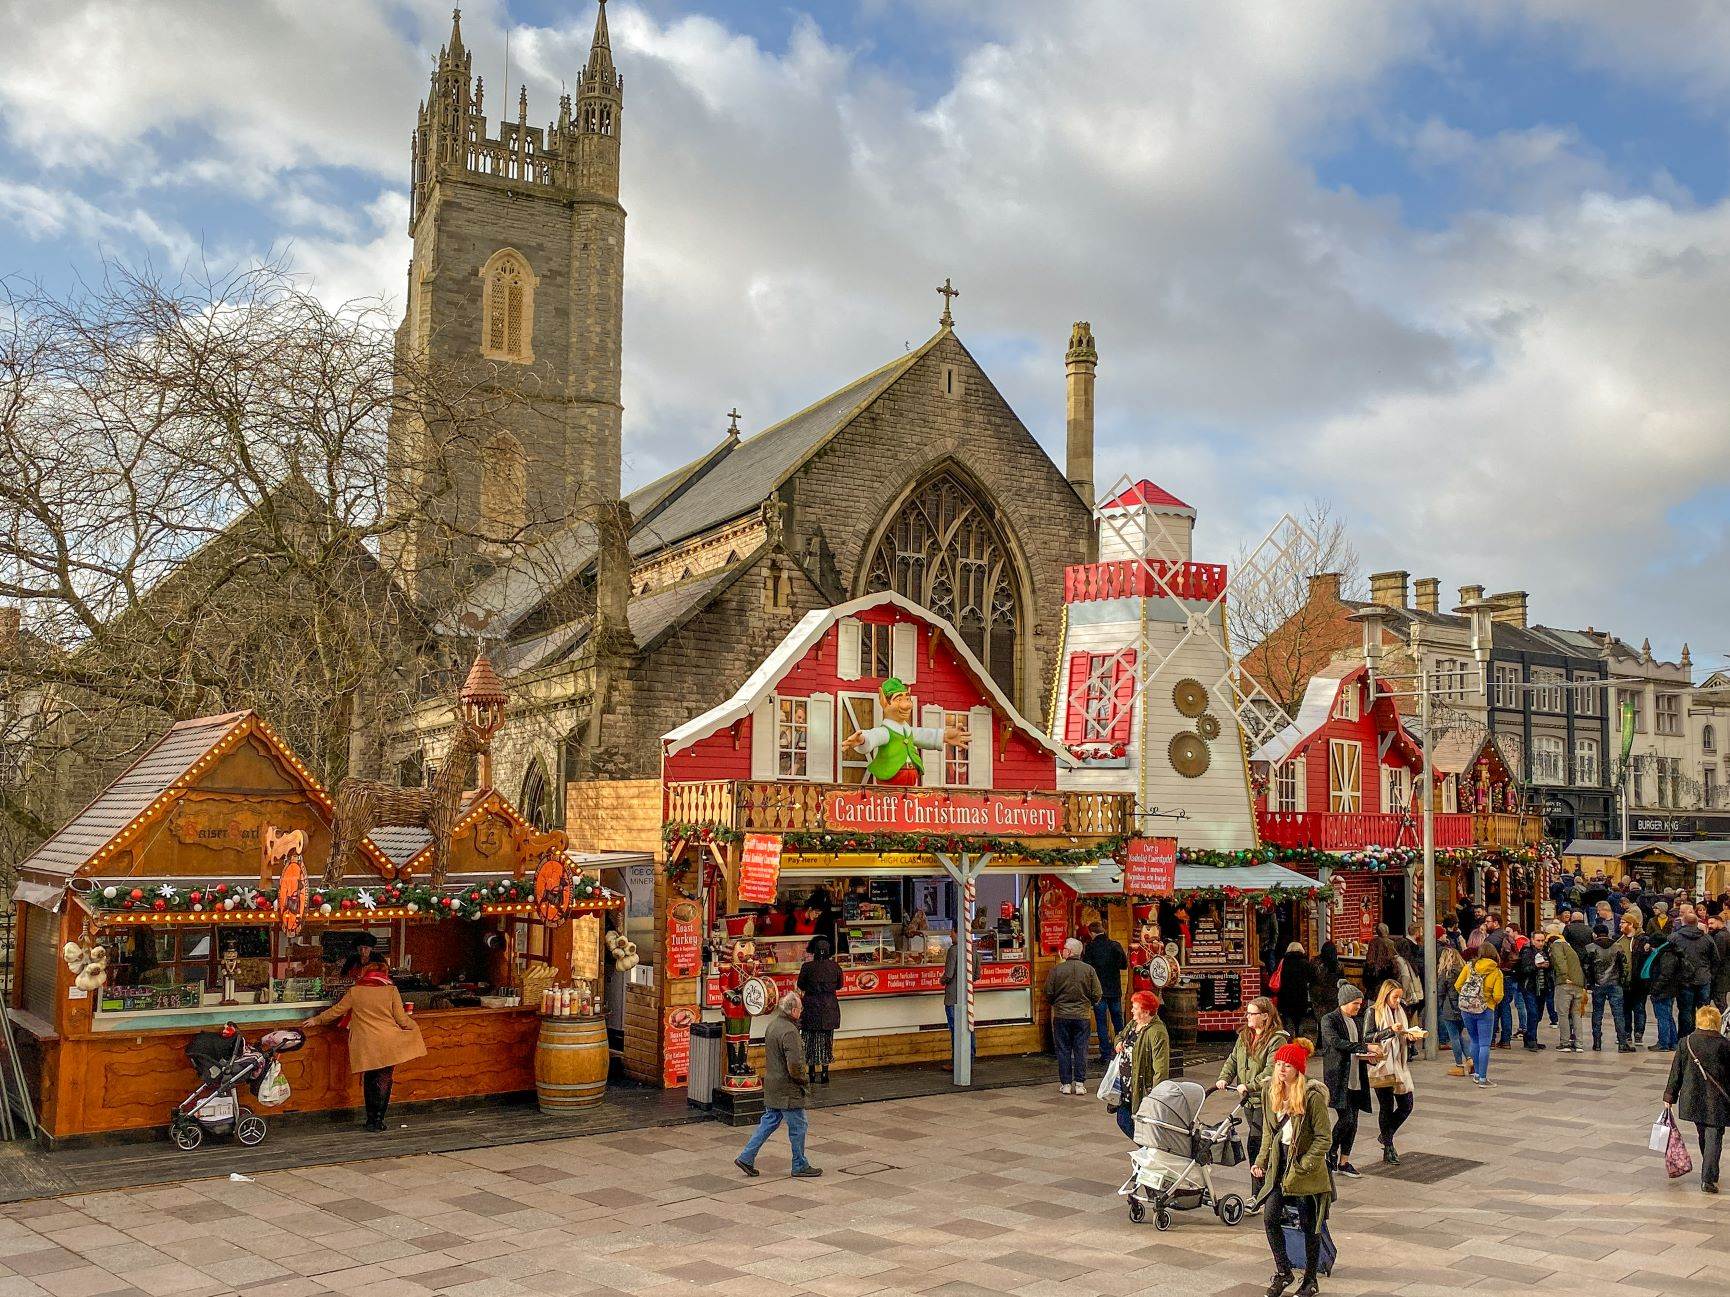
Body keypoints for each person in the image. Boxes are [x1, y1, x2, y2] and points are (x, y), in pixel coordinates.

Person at [302, 954, 425, 1132]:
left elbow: (337, 1011)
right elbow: (402, 1020)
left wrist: (317, 1020)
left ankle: (369, 1119)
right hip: (387, 1042)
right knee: (384, 1079)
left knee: (369, 1079)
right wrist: (415, 1027)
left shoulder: (356, 991)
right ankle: (379, 1120)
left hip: (366, 1043)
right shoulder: (391, 991)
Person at [1251, 1040, 1334, 1297]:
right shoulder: (1270, 1092)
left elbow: (1324, 1137)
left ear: (1298, 1069)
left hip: (1304, 1167)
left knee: (1310, 1224)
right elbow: (1268, 1131)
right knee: (1270, 1217)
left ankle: (1310, 1279)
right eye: (1278, 1065)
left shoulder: (1312, 1097)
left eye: (1287, 1065)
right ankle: (1284, 1271)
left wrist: (1306, 1164)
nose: (1281, 1070)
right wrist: (1261, 1161)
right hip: (1280, 1162)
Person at [734, 991, 821, 1179]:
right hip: (787, 1089)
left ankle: (746, 1157)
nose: (802, 1011)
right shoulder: (790, 1031)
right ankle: (799, 1164)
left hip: (773, 1084)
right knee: (799, 1125)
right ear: (794, 1010)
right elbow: (795, 1065)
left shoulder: (773, 1025)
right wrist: (804, 1080)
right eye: (801, 1008)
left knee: (768, 1122)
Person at [1663, 1004, 1730, 1194]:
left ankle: (1709, 1170)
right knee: (1714, 1136)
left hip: (1693, 1099)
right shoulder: (1725, 1045)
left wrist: (1669, 1096)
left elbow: (1676, 1071)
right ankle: (1708, 1178)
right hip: (1718, 1101)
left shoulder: (1687, 1042)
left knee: (1705, 1134)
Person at [1216, 996, 1290, 1166]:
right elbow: (1233, 1060)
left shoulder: (1277, 1039)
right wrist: (1224, 1078)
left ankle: (1263, 1177)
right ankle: (1258, 1181)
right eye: (1247, 1013)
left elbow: (1271, 1070)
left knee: (1258, 1140)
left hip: (1265, 1098)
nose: (1247, 1017)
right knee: (1255, 1138)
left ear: (1265, 1015)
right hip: (1248, 1100)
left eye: (1252, 1013)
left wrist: (1250, 1086)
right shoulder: (1244, 1036)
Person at [1320, 981, 1376, 1179]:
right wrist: (1364, 1048)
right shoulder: (1329, 1020)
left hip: (1356, 1077)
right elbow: (1336, 1043)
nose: (1358, 1008)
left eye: (1360, 1004)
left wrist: (1368, 1056)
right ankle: (1330, 1151)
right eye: (1356, 1004)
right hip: (1339, 1077)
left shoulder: (1356, 1021)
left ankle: (1344, 1161)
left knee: (1354, 1121)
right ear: (1345, 1002)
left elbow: (1356, 1045)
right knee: (1347, 1118)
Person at [1367, 982, 1423, 1164]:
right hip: (1382, 1064)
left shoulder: (1400, 1011)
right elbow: (1367, 1037)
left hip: (1400, 1063)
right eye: (1395, 997)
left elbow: (1403, 1036)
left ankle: (1386, 1135)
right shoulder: (1373, 1012)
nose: (1398, 1001)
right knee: (1386, 1106)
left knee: (1407, 1104)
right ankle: (1389, 1148)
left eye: (1400, 997)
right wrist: (1389, 1031)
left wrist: (1410, 1038)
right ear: (1385, 996)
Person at [1044, 937, 1102, 1094]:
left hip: (1061, 1015)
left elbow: (1048, 993)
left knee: (1063, 1050)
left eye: (1064, 948)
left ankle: (1066, 1084)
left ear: (1069, 952)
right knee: (1081, 1049)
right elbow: (1097, 993)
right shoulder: (1089, 970)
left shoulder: (1056, 970)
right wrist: (1090, 1003)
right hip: (1082, 1016)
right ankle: (1080, 1084)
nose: (1061, 951)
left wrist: (1055, 1003)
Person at [1113, 989, 1170, 1140]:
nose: (1131, 1010)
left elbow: (1161, 1067)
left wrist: (1157, 1095)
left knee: (1129, 1121)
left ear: (1145, 1012)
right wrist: (1118, 1042)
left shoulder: (1157, 1032)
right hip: (1126, 1085)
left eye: (1135, 1008)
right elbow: (1120, 1035)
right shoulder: (1134, 1024)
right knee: (1124, 1119)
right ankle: (1146, 1150)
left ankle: (1148, 1150)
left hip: (1141, 1087)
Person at [1454, 945, 1503, 1086]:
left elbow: (1458, 985)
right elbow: (1498, 995)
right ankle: (1483, 1078)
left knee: (1474, 1040)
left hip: (1466, 1009)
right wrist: (1489, 1001)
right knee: (1484, 1044)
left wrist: (1469, 998)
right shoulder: (1496, 971)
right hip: (1485, 1010)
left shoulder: (1469, 966)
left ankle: (1476, 1074)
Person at [795, 937, 843, 1084]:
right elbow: (840, 985)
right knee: (826, 1041)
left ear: (814, 952)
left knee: (809, 1040)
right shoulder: (835, 967)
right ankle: (825, 1074)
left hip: (811, 1007)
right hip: (829, 1007)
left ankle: (811, 1073)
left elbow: (801, 985)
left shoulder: (807, 967)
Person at [1082, 921, 1129, 1064]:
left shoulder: (1090, 947)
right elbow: (1124, 965)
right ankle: (1123, 1051)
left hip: (1098, 990)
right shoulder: (1115, 945)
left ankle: (1106, 1055)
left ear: (1091, 933)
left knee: (1101, 1022)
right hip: (1114, 989)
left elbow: (1087, 968)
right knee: (1118, 1021)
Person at [1671, 906, 1718, 1040]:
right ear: (1698, 923)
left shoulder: (1675, 938)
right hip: (1703, 978)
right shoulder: (1707, 938)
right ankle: (1704, 1037)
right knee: (1704, 1010)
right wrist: (1710, 974)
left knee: (1685, 1011)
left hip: (1684, 980)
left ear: (1683, 922)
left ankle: (1685, 1038)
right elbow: (1715, 959)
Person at [1585, 924, 1631, 1053]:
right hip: (1615, 984)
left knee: (1597, 1013)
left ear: (1595, 934)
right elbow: (1624, 967)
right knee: (1618, 1014)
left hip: (1598, 984)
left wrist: (1591, 983)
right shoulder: (1617, 947)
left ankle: (1597, 1042)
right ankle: (1622, 1043)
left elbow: (1587, 968)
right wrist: (1622, 981)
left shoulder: (1590, 948)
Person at [1547, 922, 1589, 1053]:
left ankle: (1565, 1043)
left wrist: (1564, 976)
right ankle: (1579, 1044)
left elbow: (1560, 961)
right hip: (1578, 983)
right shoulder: (1569, 947)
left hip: (1565, 983)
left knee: (1563, 1014)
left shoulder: (1556, 945)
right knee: (1576, 1014)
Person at [1645, 928, 1684, 1052]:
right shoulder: (1668, 951)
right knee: (1667, 1016)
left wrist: (1655, 989)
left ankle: (1663, 1043)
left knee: (1662, 1017)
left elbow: (1665, 975)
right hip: (1668, 990)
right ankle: (1672, 1042)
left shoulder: (1666, 954)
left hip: (1663, 991)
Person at [941, 934, 976, 1059]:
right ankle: (970, 1059)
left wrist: (942, 980)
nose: (950, 935)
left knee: (956, 1030)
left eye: (952, 932)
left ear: (958, 932)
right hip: (968, 996)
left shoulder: (953, 950)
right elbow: (976, 974)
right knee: (969, 1028)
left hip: (953, 996)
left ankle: (957, 1061)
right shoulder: (973, 949)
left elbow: (949, 974)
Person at [1436, 943, 1469, 1075]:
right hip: (1463, 1006)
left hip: (1449, 1007)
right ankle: (1470, 1059)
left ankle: (1459, 1065)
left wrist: (1439, 1006)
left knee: (1454, 1036)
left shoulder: (1446, 972)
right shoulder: (1464, 969)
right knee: (1460, 1035)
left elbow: (1440, 992)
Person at [1273, 942, 1315, 1041]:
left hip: (1285, 995)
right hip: (1300, 995)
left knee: (1287, 1018)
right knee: (1299, 1019)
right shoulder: (1305, 963)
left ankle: (1287, 1038)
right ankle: (1298, 1037)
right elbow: (1311, 978)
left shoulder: (1283, 962)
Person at [1363, 925, 1399, 1003]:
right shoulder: (1390, 943)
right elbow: (1395, 958)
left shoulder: (1372, 942)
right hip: (1385, 974)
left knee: (1372, 1000)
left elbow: (1369, 959)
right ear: (1386, 931)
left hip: (1373, 976)